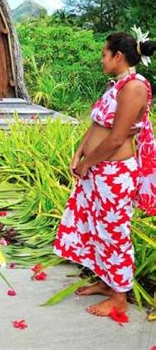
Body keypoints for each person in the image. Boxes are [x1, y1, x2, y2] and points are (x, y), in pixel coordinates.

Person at [54, 31, 156, 317]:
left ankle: (119, 297)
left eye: (103, 54)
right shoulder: (118, 85)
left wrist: (88, 163)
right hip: (100, 170)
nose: (101, 59)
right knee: (98, 228)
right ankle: (106, 282)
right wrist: (79, 152)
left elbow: (116, 138)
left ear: (118, 56)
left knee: (115, 231)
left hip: (115, 173)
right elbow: (98, 125)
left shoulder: (135, 88)